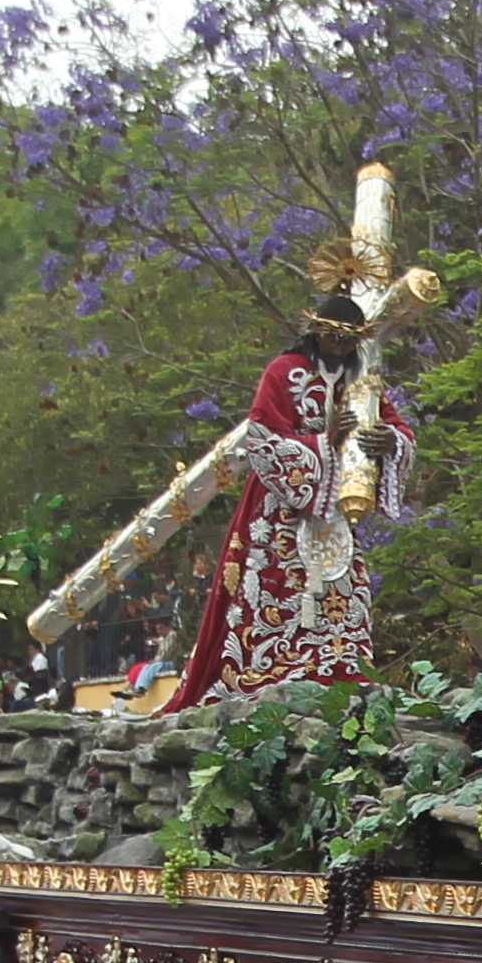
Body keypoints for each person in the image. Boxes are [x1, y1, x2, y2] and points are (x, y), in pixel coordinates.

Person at [149, 272, 416, 708]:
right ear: (315, 332)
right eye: (330, 338)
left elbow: (395, 424)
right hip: (282, 503)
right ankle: (266, 669)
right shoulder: (283, 371)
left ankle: (338, 665)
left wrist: (392, 441)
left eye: (347, 342)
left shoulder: (362, 379)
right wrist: (322, 442)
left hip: (332, 507)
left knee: (340, 586)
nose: (337, 348)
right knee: (274, 581)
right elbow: (263, 437)